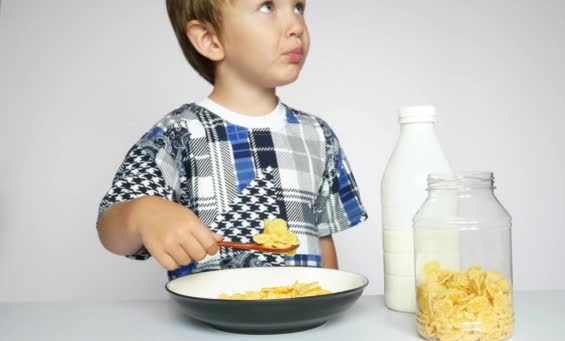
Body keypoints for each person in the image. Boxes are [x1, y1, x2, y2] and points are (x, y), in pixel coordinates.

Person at [97, 0, 368, 279]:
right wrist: (142, 214)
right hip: (208, 319)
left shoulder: (318, 135)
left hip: (303, 317)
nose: (296, 26)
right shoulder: (179, 133)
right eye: (267, 7)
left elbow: (323, 237)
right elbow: (109, 228)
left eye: (298, 7)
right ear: (210, 40)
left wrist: (328, 301)